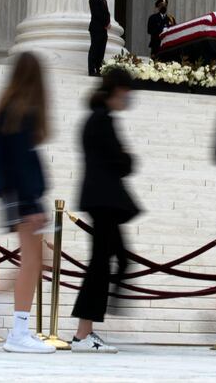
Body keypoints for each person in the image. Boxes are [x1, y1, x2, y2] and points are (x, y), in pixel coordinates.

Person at [70, 68, 139, 353]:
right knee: (101, 264)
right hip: (104, 201)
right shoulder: (101, 120)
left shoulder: (96, 119)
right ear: (118, 90)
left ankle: (90, 325)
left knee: (115, 259)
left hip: (103, 200)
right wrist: (126, 158)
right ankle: (83, 333)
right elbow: (121, 162)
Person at [0, 52, 56, 354]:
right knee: (33, 262)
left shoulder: (7, 108)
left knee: (35, 261)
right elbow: (23, 162)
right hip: (24, 196)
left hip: (13, 194)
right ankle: (17, 330)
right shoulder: (22, 111)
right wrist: (33, 202)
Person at [88, 0, 111, 76]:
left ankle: (98, 68)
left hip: (103, 29)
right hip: (97, 28)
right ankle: (92, 70)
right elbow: (97, 13)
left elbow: (107, 13)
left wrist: (108, 23)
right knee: (95, 49)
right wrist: (106, 24)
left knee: (101, 49)